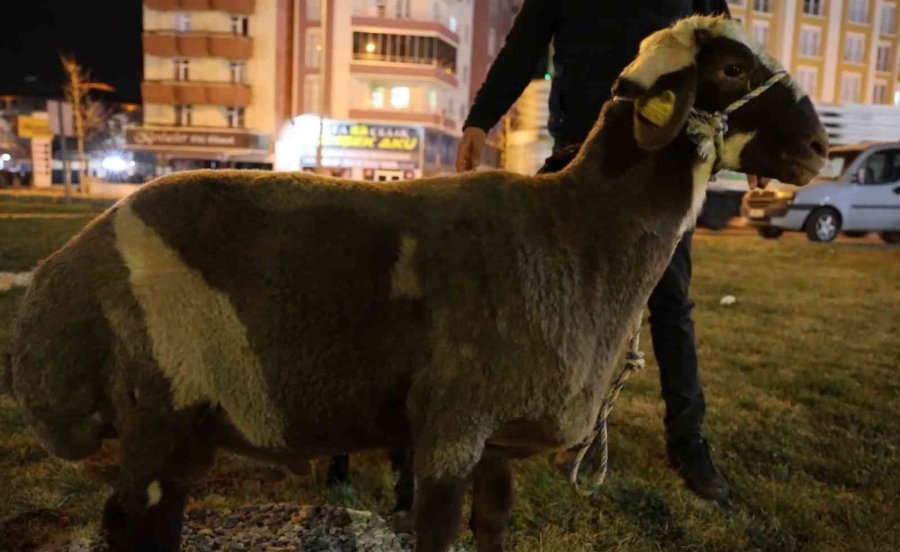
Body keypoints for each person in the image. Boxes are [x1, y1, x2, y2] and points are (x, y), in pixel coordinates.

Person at [456, 0, 733, 503]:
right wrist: (481, 119)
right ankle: (535, 420)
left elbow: (726, 58)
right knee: (552, 296)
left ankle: (688, 442)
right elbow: (522, 49)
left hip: (662, 166)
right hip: (579, 162)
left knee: (670, 305)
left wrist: (742, 135)